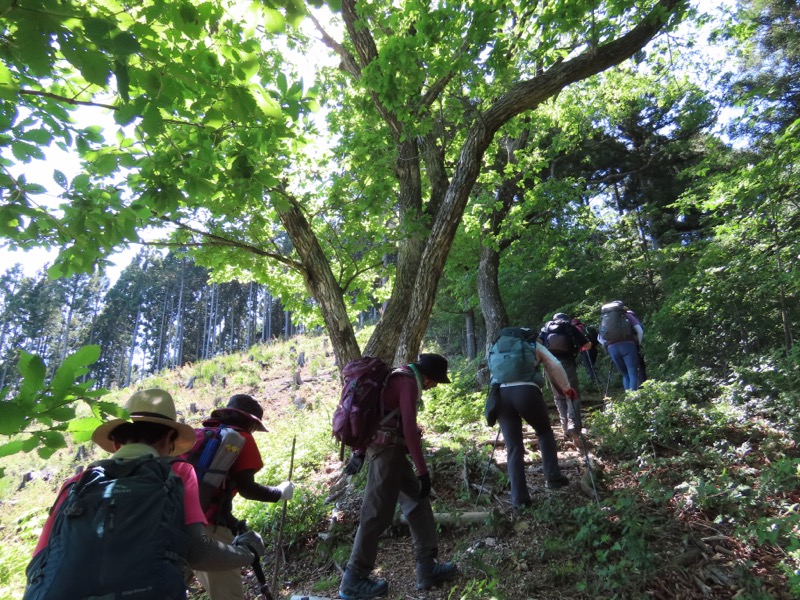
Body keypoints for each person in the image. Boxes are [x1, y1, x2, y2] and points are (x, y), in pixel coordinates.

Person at [26, 389, 265, 599]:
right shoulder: (178, 471)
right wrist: (247, 553)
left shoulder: (75, 484)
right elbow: (196, 551)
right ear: (170, 439)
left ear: (116, 442)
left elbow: (37, 566)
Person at [339, 353, 458, 600]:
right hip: (387, 451)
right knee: (376, 513)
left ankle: (427, 567)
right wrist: (423, 471)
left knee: (417, 500)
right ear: (428, 377)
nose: (434, 386)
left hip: (388, 449)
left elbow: (378, 415)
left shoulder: (396, 376)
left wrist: (359, 452)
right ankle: (353, 578)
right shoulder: (407, 383)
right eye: (436, 382)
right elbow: (409, 432)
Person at [194, 394, 295, 600]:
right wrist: (279, 492)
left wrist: (231, 521)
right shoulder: (241, 438)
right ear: (251, 421)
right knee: (228, 595)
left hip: (179, 522)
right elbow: (247, 489)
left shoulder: (202, 434)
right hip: (209, 527)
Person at [495, 333, 577, 511]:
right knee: (544, 433)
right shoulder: (532, 345)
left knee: (513, 447)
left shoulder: (497, 347)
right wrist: (566, 389)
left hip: (500, 396)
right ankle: (553, 477)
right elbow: (554, 365)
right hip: (526, 393)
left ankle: (519, 499)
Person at [539, 313, 591, 439]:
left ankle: (565, 427)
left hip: (549, 364)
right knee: (572, 393)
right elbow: (587, 345)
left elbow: (539, 344)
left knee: (559, 396)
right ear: (566, 319)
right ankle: (573, 425)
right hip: (567, 363)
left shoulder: (545, 328)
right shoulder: (569, 327)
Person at [598, 301, 644, 391]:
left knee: (625, 374)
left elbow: (600, 338)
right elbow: (640, 331)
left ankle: (628, 398)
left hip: (612, 348)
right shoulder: (627, 316)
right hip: (628, 346)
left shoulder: (605, 319)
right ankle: (633, 398)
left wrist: (608, 346)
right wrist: (638, 343)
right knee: (632, 373)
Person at [571, 317, 599, 383]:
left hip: (585, 350)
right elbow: (597, 338)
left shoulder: (574, 330)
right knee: (592, 365)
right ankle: (597, 380)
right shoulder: (587, 328)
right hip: (594, 349)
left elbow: (574, 342)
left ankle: (595, 382)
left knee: (589, 367)